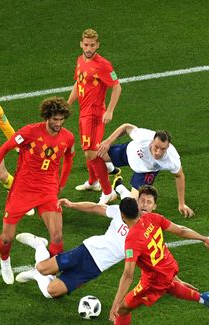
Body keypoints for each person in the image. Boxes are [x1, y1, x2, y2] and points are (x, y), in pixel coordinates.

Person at [97, 198, 209, 325]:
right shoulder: (152, 217)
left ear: (122, 216)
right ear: (137, 209)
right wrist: (203, 238)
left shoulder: (132, 240)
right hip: (168, 265)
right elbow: (180, 230)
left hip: (154, 279)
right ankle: (203, 298)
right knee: (168, 285)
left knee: (123, 308)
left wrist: (115, 303)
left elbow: (128, 275)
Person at [0, 96, 76, 284]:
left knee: (57, 237)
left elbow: (69, 158)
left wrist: (62, 183)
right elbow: (4, 149)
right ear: (47, 117)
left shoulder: (68, 137)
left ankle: (48, 274)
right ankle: (5, 261)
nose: (58, 123)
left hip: (47, 190)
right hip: (23, 189)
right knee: (7, 238)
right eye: (55, 119)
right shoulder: (29, 132)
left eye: (61, 119)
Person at [15, 185, 159, 298]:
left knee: (51, 292)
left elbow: (160, 260)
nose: (145, 205)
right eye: (142, 200)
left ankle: (36, 276)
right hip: (87, 250)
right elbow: (96, 208)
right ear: (137, 201)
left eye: (149, 202)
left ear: (154, 206)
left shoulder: (151, 232)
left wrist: (174, 281)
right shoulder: (123, 211)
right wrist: (72, 204)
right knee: (42, 268)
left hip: (95, 268)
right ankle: (39, 245)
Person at [66, 28, 123, 204]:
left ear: (97, 44)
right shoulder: (80, 61)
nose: (89, 48)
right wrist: (67, 104)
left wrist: (110, 110)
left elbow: (117, 86)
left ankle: (108, 191)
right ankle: (93, 182)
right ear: (81, 44)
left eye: (92, 45)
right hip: (84, 113)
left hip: (95, 114)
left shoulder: (103, 65)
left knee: (92, 154)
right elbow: (78, 83)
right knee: (88, 152)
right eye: (86, 44)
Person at [96, 123, 195, 217]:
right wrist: (108, 141)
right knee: (94, 155)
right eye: (156, 147)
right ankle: (110, 173)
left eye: (163, 149)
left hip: (146, 171)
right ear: (152, 141)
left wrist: (182, 204)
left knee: (133, 207)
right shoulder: (144, 137)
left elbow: (179, 176)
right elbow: (126, 127)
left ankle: (120, 189)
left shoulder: (172, 159)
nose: (158, 152)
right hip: (129, 153)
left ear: (168, 147)